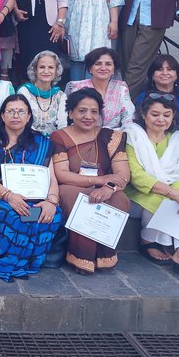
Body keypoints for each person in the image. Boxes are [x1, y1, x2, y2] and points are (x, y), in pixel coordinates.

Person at [124, 93, 179, 285]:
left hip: (171, 197)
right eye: (155, 114)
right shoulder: (132, 136)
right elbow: (137, 176)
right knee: (174, 194)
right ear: (144, 114)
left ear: (173, 117)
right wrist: (177, 195)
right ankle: (148, 239)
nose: (161, 119)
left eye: (167, 114)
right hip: (137, 197)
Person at [0, 94, 63, 282]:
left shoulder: (41, 142)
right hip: (1, 195)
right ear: (2, 116)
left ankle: (28, 262)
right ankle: (7, 263)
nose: (15, 115)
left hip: (38, 197)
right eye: (10, 111)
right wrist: (9, 196)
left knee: (53, 214)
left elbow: (51, 177)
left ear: (28, 117)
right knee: (13, 214)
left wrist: (51, 200)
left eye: (21, 111)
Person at [51, 88, 131, 274]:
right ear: (70, 113)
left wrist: (109, 187)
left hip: (106, 187)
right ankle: (82, 256)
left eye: (94, 111)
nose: (88, 116)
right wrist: (99, 179)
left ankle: (104, 255)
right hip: (72, 186)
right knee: (78, 199)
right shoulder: (60, 136)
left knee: (119, 199)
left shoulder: (111, 136)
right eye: (82, 111)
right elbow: (61, 174)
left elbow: (122, 173)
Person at [65, 47, 134, 129]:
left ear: (113, 69)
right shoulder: (77, 88)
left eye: (108, 64)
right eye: (98, 64)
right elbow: (71, 117)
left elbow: (128, 118)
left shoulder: (121, 88)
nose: (103, 68)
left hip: (114, 136)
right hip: (83, 134)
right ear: (90, 68)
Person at [136, 54, 179, 135]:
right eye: (160, 69)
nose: (165, 73)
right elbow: (139, 123)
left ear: (177, 74)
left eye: (169, 69)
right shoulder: (144, 96)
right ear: (152, 75)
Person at [17, 51, 67, 136]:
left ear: (56, 71)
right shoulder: (25, 91)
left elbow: (62, 126)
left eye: (51, 67)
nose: (46, 71)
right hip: (27, 139)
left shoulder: (60, 96)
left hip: (52, 142)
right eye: (42, 67)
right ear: (35, 70)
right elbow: (20, 121)